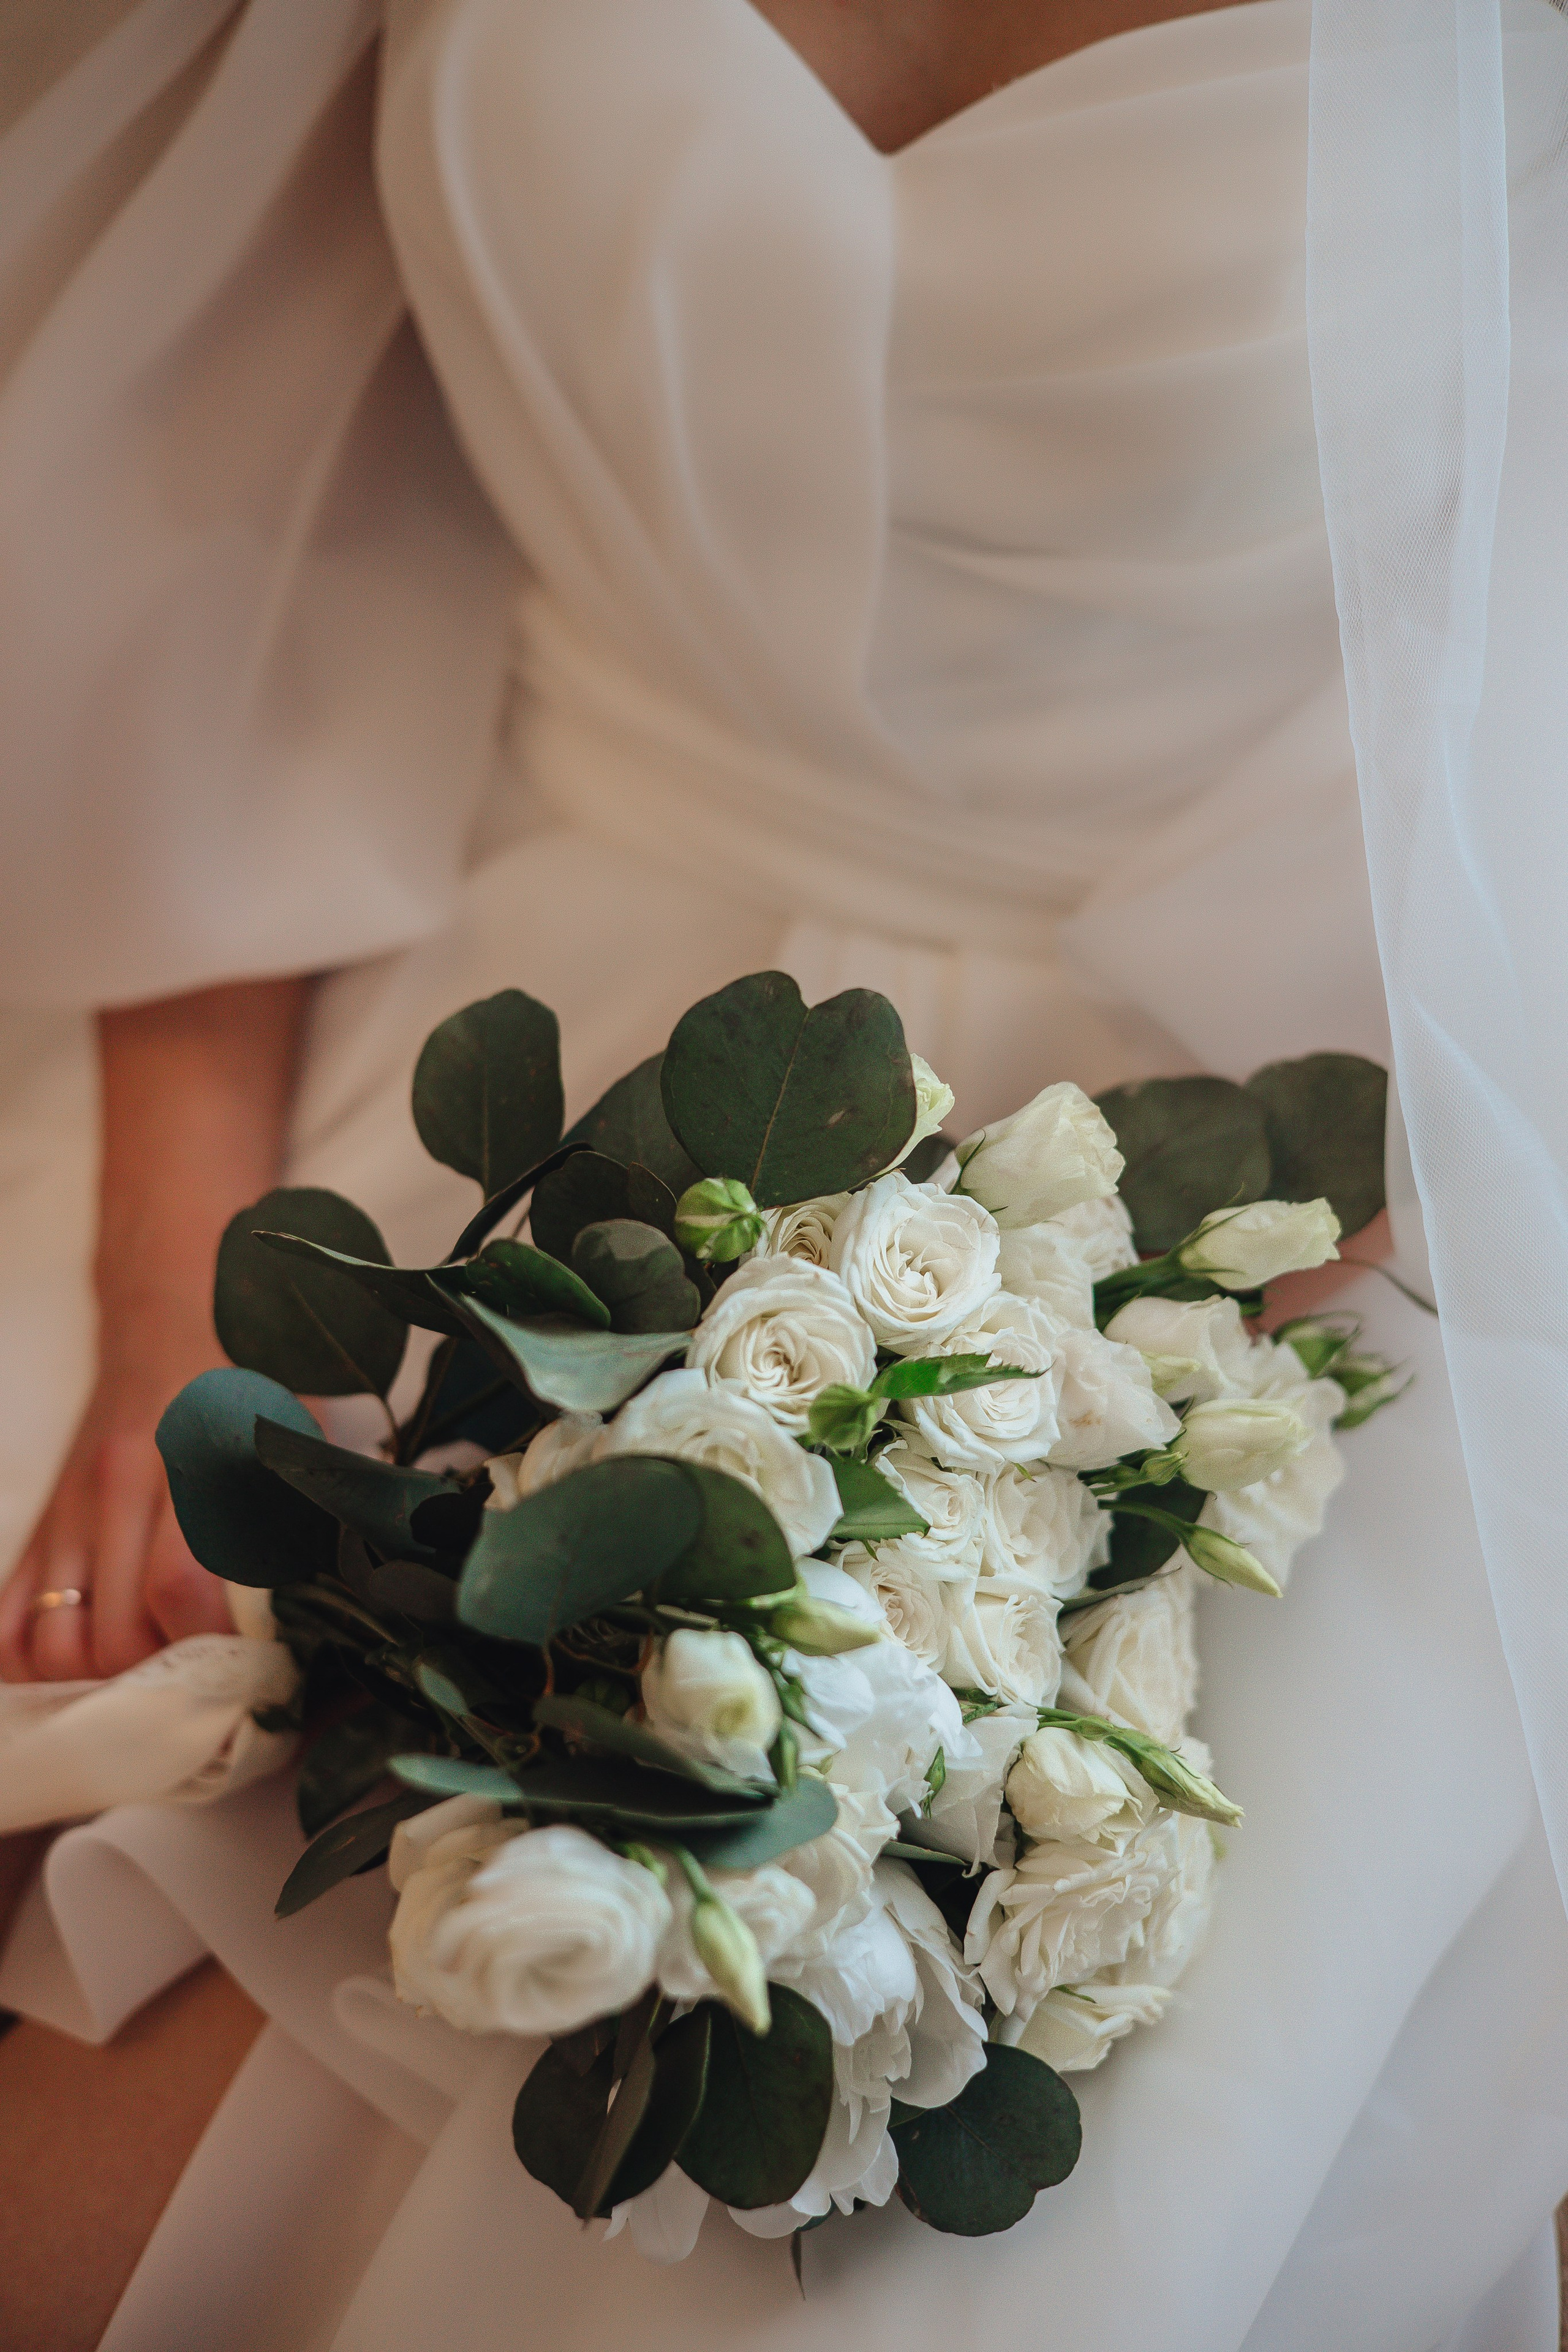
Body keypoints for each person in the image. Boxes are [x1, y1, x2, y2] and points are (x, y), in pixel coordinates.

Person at [1, 2, 1566, 2347]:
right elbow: (226, 472)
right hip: (401, 1023)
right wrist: (172, 1313)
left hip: (1250, 1237)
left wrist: (1013, 1527)